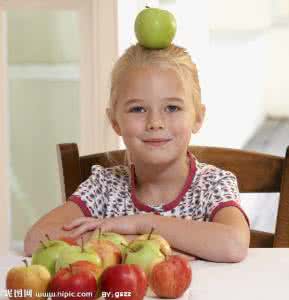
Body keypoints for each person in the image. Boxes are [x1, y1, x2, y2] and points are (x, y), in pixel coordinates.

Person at [24, 44, 250, 262]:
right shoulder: (104, 187)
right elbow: (36, 239)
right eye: (138, 109)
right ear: (115, 122)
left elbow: (235, 245)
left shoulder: (214, 184)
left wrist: (142, 224)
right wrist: (130, 243)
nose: (155, 122)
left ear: (198, 118)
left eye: (172, 107)